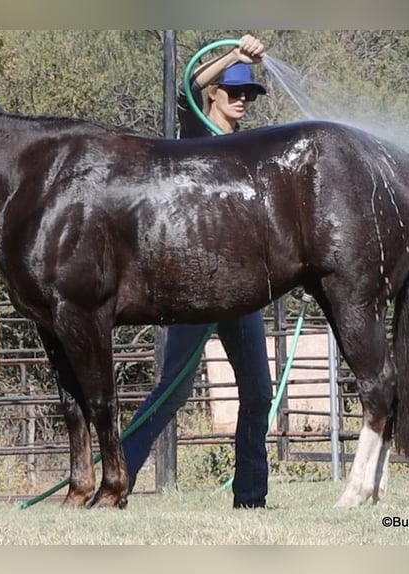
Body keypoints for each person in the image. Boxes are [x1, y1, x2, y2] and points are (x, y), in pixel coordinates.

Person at [121, 35, 274, 509]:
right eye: (234, 91)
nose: (242, 100)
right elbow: (189, 82)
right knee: (173, 391)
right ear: (214, 96)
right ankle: (117, 479)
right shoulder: (197, 133)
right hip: (194, 285)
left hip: (240, 290)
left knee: (259, 393)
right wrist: (236, 56)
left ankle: (250, 496)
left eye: (249, 93)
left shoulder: (252, 148)